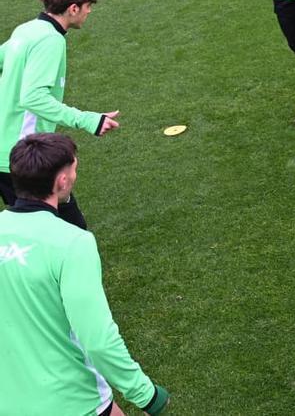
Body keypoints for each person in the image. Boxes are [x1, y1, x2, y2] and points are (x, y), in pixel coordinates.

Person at [0, 134, 170, 416]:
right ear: (62, 180)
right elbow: (98, 340)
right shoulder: (73, 244)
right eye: (74, 169)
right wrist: (145, 394)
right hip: (71, 400)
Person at [0, 0, 119, 230]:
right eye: (88, 6)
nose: (89, 12)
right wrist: (87, 120)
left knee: (33, 226)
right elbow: (33, 98)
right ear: (73, 8)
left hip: (7, 151)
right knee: (71, 229)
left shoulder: (26, 29)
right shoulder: (50, 40)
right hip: (22, 155)